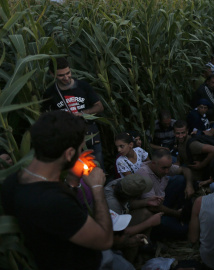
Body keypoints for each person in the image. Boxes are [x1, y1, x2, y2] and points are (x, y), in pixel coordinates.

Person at [1, 110, 112, 270]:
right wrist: (97, 187)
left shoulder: (13, 181)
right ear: (69, 153)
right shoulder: (54, 202)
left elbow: (56, 223)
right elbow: (104, 240)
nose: (81, 153)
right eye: (80, 149)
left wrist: (73, 180)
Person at [42, 57, 105, 169]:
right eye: (61, 75)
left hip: (90, 134)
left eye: (68, 73)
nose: (66, 77)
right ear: (52, 74)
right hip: (69, 139)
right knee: (77, 171)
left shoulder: (83, 86)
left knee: (98, 168)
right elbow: (46, 117)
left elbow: (99, 107)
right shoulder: (50, 93)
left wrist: (82, 113)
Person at [136, 149, 194, 239]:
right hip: (153, 212)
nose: (167, 171)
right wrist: (177, 214)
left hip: (162, 200)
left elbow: (185, 170)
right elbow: (153, 207)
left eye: (169, 167)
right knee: (184, 229)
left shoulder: (164, 166)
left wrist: (189, 185)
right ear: (154, 163)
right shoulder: (144, 175)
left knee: (181, 180)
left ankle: (183, 211)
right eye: (164, 168)